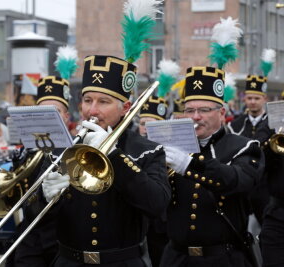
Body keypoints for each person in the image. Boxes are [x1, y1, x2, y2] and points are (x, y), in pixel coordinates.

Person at [27, 55, 171, 267]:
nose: (92, 111)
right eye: (87, 101)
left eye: (103, 102)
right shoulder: (60, 148)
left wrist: (115, 156)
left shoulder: (147, 150)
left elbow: (157, 205)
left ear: (126, 108)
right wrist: (44, 197)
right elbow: (35, 218)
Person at [159, 66, 265, 267]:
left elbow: (237, 180)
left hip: (223, 258)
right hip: (176, 258)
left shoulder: (244, 146)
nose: (196, 117)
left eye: (204, 110)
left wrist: (190, 165)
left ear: (222, 112)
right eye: (190, 110)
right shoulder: (174, 147)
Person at [12, 75, 72, 267]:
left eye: (54, 111)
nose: (47, 117)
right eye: (42, 111)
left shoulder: (76, 149)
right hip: (30, 236)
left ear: (66, 116)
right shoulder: (28, 149)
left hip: (63, 238)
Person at [227, 75, 273, 225]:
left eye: (257, 98)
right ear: (244, 99)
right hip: (242, 190)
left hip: (266, 188)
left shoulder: (274, 124)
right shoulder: (235, 125)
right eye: (249, 98)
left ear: (264, 99)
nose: (252, 102)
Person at [138, 95, 169, 267]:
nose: (146, 129)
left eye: (152, 124)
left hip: (163, 224)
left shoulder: (173, 150)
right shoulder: (130, 148)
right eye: (143, 124)